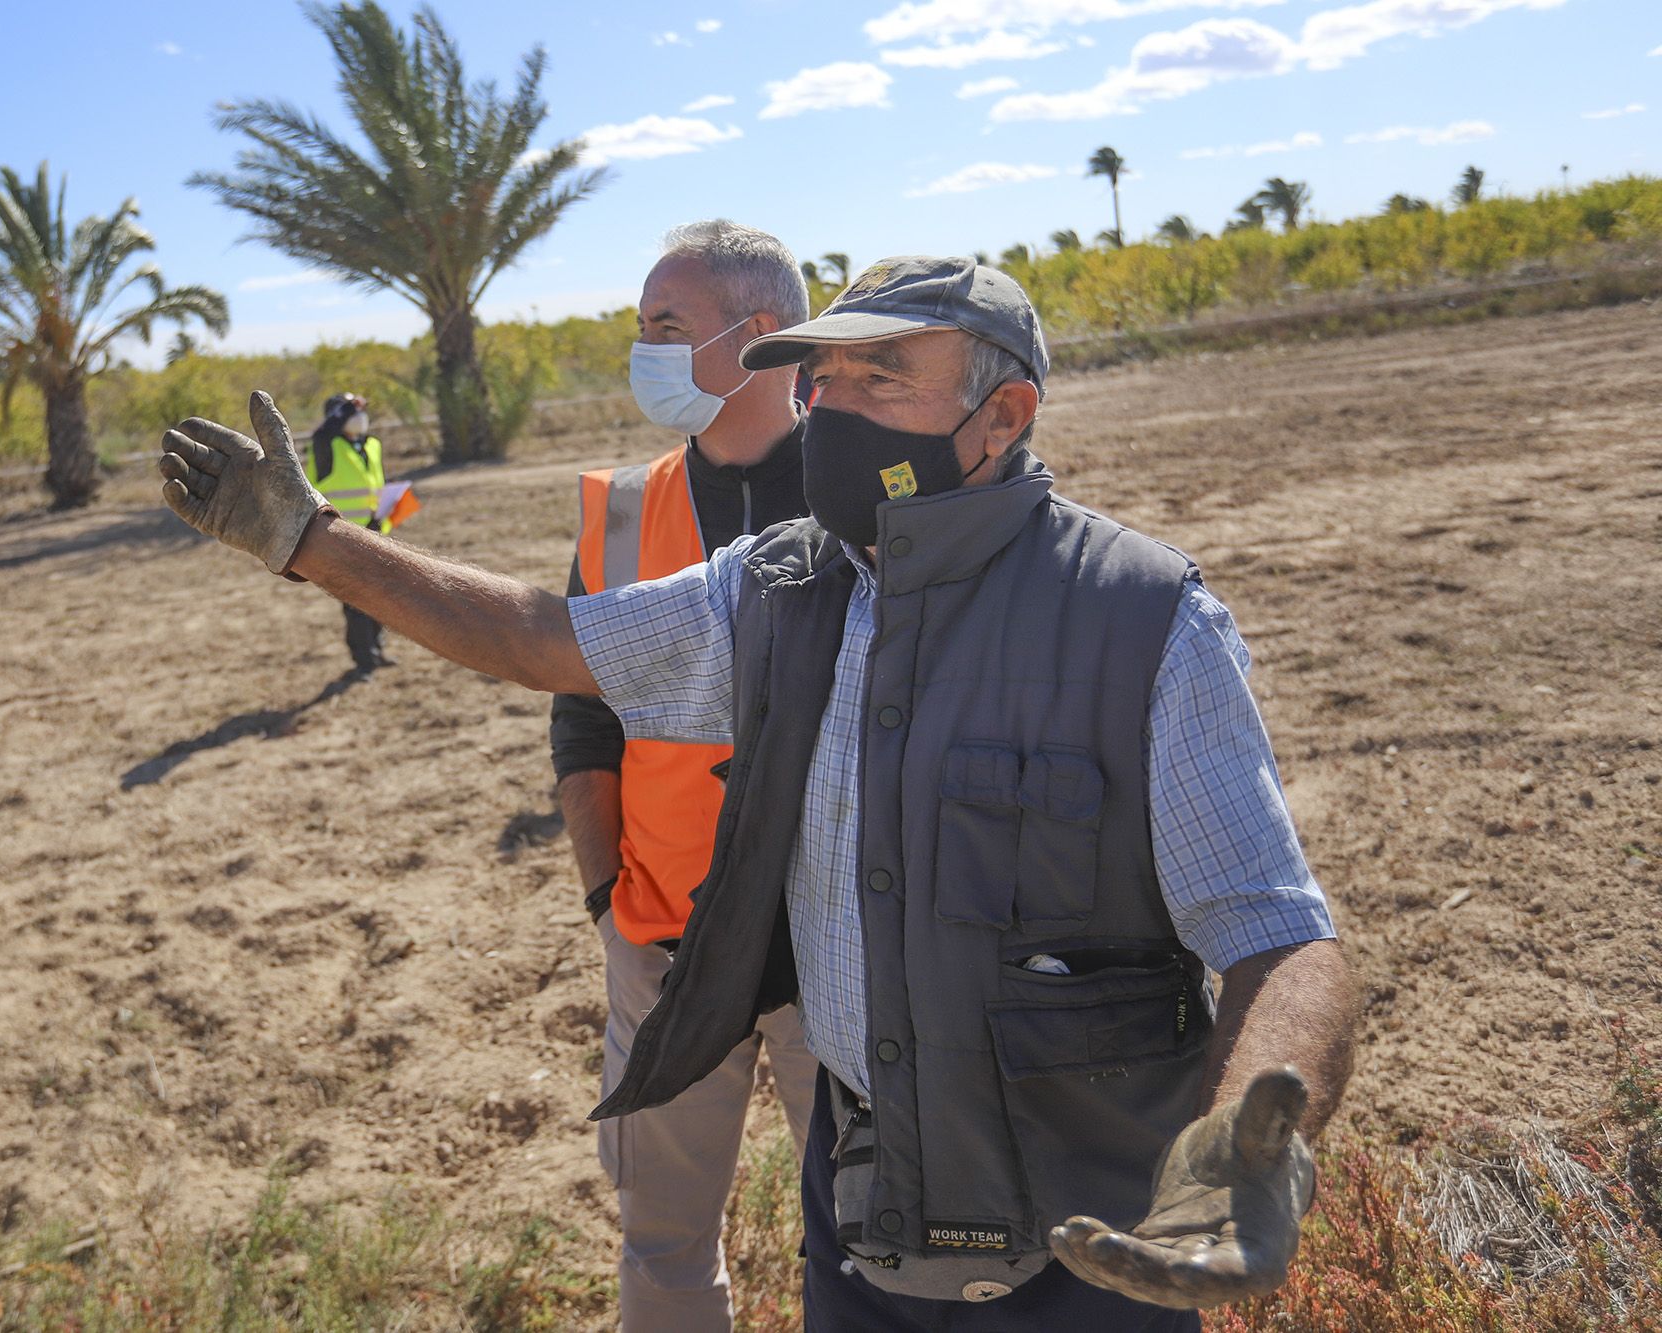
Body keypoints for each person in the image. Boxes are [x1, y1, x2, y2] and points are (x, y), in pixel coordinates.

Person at [156, 255, 1360, 1330]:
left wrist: (1243, 1149)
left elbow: (1277, 936)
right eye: (820, 378)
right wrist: (311, 540)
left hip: (1084, 1249)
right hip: (863, 1226)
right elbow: (542, 639)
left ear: (1004, 416)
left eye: (879, 379)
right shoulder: (777, 587)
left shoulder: (1140, 618)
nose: (830, 409)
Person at [552, 220, 819, 1332]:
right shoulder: (620, 508)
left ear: (758, 339)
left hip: (834, 946)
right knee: (661, 1244)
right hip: (660, 937)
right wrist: (603, 898)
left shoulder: (878, 492)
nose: (644, 351)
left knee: (872, 1238)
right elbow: (581, 719)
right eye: (642, 327)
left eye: (668, 328)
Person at [306, 392, 392, 674]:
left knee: (381, 595)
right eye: (350, 412)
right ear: (336, 418)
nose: (359, 417)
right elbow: (321, 434)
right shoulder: (326, 446)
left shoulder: (372, 445)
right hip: (340, 534)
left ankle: (377, 649)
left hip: (375, 529)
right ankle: (363, 660)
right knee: (356, 599)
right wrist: (344, 410)